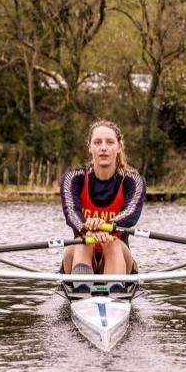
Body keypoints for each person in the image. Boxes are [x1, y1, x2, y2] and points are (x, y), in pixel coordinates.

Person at [60, 120, 146, 294]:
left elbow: (131, 215)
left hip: (118, 254)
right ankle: (83, 290)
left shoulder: (133, 180)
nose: (103, 148)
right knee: (84, 241)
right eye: (97, 142)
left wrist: (104, 225)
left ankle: (113, 291)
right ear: (89, 147)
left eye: (110, 142)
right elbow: (71, 212)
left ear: (119, 147)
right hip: (80, 252)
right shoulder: (73, 178)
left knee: (112, 242)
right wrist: (87, 228)